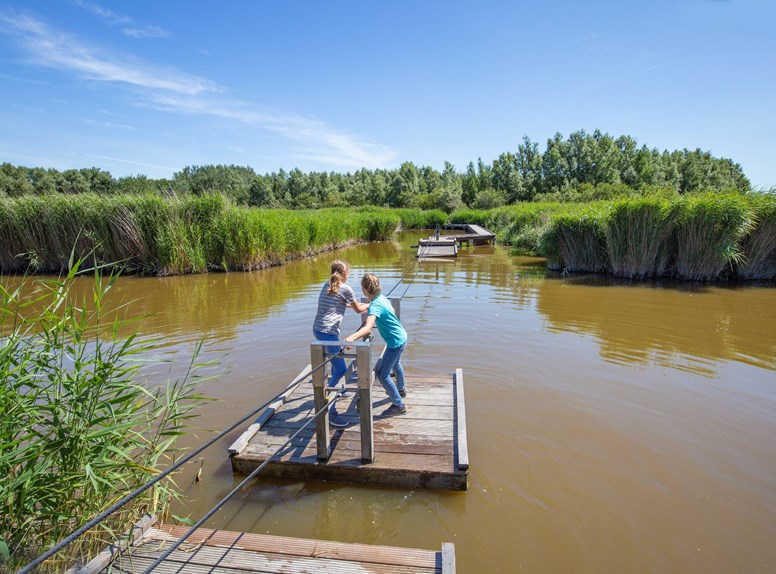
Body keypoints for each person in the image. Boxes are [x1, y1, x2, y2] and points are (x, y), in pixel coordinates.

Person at [313, 260, 369, 428]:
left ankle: (335, 391)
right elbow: (359, 309)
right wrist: (368, 305)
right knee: (341, 370)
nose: (349, 273)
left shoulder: (327, 286)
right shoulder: (346, 288)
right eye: (348, 271)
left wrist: (357, 306)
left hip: (317, 330)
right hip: (329, 333)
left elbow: (339, 302)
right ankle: (330, 410)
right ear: (344, 273)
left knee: (335, 366)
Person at [344, 274, 407, 417]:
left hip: (395, 342)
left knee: (382, 374)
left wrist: (351, 338)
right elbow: (377, 307)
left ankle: (398, 405)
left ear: (365, 290)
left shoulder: (376, 305)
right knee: (396, 364)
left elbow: (367, 328)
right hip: (402, 337)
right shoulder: (381, 299)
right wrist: (349, 305)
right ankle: (401, 389)